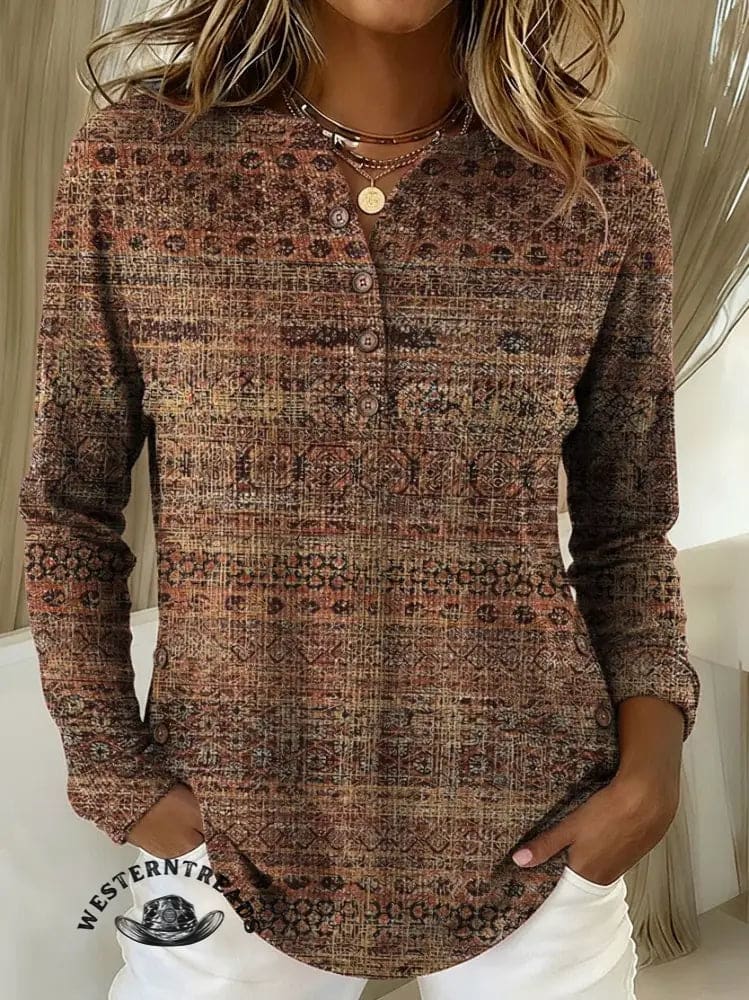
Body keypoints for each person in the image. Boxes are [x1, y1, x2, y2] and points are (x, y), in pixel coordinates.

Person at [18, 1, 700, 997]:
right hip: (227, 841)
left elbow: (628, 528)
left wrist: (649, 776)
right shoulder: (138, 163)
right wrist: (120, 777)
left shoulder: (592, 190)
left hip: (539, 831)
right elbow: (69, 506)